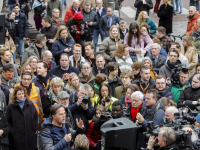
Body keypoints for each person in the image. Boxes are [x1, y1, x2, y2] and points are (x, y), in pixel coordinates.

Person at [6, 86, 38, 150]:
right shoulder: (11, 106)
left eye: (22, 93)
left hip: (30, 135)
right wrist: (12, 131)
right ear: (15, 95)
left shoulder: (30, 104)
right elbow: (8, 120)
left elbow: (35, 116)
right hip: (16, 137)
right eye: (19, 94)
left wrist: (34, 127)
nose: (21, 96)